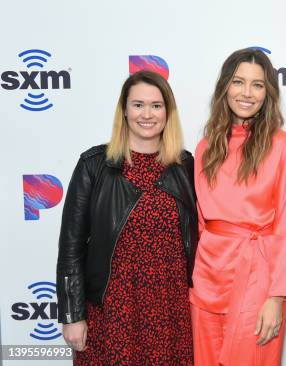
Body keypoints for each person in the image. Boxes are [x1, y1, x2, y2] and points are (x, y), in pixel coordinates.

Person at [56, 70, 197, 365]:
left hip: (170, 311)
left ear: (168, 112)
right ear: (124, 110)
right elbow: (71, 247)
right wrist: (72, 316)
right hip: (113, 311)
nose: (147, 114)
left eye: (156, 106)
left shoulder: (185, 166)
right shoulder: (94, 165)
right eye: (138, 105)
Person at [190, 48, 286, 366]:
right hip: (206, 279)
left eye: (257, 85)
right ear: (225, 86)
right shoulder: (205, 147)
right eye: (239, 82)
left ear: (268, 93)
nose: (247, 93)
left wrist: (277, 295)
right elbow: (201, 223)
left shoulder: (283, 146)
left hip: (258, 278)